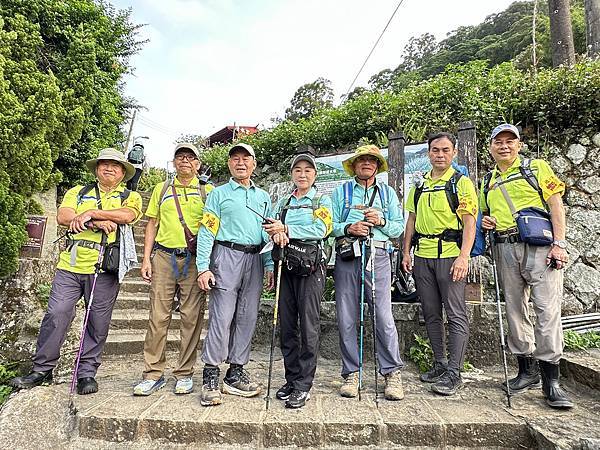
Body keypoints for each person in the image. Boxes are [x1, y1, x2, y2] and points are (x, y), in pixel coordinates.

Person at [10, 148, 142, 394]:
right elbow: (64, 215)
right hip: (69, 265)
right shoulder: (78, 192)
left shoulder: (130, 196)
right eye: (104, 164)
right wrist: (97, 222)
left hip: (104, 268)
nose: (109, 168)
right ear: (97, 168)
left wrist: (91, 212)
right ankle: (42, 369)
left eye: (115, 165)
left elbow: (127, 215)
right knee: (56, 313)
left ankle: (86, 373)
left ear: (123, 172)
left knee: (98, 322)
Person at [481, 123, 573, 409]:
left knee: (546, 309)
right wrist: (487, 222)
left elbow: (556, 205)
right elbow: (486, 213)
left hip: (540, 247)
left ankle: (551, 380)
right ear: (491, 147)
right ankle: (526, 371)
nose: (505, 146)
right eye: (499, 142)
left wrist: (559, 243)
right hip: (505, 246)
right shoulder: (488, 180)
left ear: (519, 145)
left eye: (510, 141)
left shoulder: (536, 168)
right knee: (514, 308)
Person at [196, 143, 274, 407]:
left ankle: (235, 371)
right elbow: (207, 231)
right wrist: (203, 267)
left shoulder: (264, 196)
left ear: (254, 164)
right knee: (222, 316)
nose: (240, 163)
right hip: (226, 256)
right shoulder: (217, 195)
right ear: (229, 164)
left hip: (255, 259)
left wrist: (269, 266)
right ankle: (210, 374)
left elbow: (267, 234)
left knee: (247, 316)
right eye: (235, 159)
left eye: (246, 158)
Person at [132, 143, 212, 396]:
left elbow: (214, 228)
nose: (185, 161)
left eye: (190, 158)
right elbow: (151, 224)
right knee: (158, 316)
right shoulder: (162, 188)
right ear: (174, 162)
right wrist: (146, 259)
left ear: (198, 164)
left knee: (191, 317)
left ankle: (185, 372)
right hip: (164, 257)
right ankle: (153, 373)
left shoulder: (208, 191)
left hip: (193, 260)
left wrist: (207, 265)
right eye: (180, 157)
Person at [402, 132, 477, 396]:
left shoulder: (461, 183)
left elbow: (470, 222)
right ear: (428, 153)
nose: (440, 155)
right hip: (422, 255)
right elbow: (410, 220)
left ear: (454, 152)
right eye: (435, 150)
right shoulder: (419, 185)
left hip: (449, 255)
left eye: (446, 150)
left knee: (456, 313)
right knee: (431, 312)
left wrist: (463, 256)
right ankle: (439, 363)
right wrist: (406, 252)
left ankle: (454, 373)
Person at [331, 144, 405, 401]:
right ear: (354, 165)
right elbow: (329, 225)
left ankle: (392, 373)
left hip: (379, 255)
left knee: (383, 316)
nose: (367, 163)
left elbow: (398, 227)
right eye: (362, 160)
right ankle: (351, 373)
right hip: (348, 256)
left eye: (372, 160)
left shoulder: (387, 193)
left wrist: (381, 221)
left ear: (377, 166)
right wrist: (349, 228)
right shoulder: (341, 192)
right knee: (346, 316)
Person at [262, 149, 333, 409]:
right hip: (287, 266)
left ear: (315, 174)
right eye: (297, 170)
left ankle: (304, 384)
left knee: (309, 326)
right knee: (287, 325)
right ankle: (291, 379)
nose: (302, 175)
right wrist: (274, 242)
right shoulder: (283, 203)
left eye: (308, 170)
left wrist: (287, 229)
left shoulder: (322, 200)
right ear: (292, 174)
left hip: (312, 268)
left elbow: (322, 229)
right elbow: (272, 232)